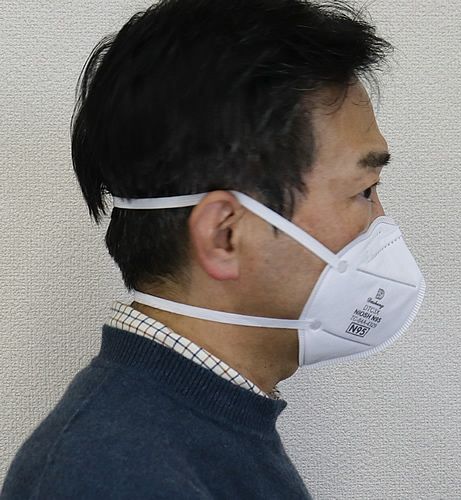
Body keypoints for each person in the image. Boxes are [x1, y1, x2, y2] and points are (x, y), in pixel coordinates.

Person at [2, 1, 426, 498]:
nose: (382, 224)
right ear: (225, 235)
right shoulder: (111, 476)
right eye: (364, 190)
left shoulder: (206, 423)